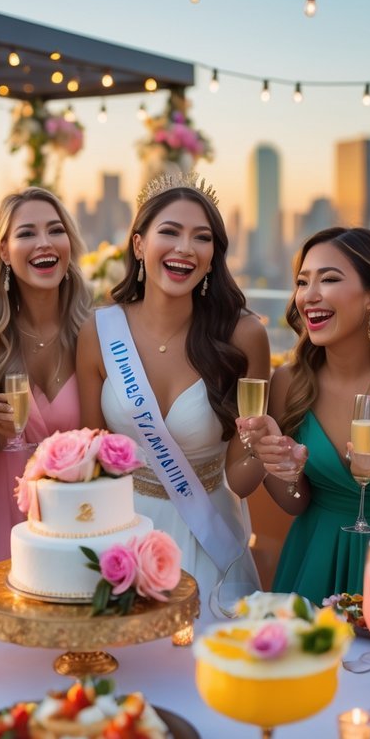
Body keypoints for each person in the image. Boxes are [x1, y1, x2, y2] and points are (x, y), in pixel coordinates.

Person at [77, 172, 269, 601]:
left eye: (201, 237)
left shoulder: (244, 336)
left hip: (210, 533)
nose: (185, 248)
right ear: (140, 244)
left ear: (212, 255)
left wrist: (264, 447)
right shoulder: (100, 331)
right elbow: (91, 459)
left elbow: (242, 480)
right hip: (123, 537)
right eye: (170, 231)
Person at [240, 227, 370, 605]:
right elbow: (296, 503)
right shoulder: (289, 382)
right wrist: (278, 466)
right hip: (317, 554)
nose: (310, 296)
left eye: (330, 279)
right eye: (303, 282)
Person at [0, 188, 92, 574]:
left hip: (70, 523)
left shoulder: (95, 328)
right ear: (4, 251)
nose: (43, 243)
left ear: (70, 244)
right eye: (26, 233)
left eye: (55, 230)